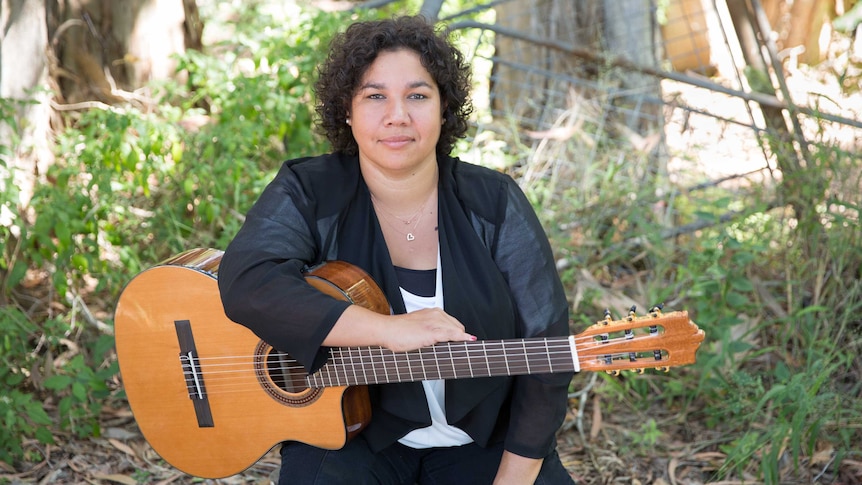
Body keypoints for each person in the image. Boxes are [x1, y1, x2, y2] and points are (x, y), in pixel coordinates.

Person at [217, 15, 575, 485]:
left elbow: (546, 353)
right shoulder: (309, 191)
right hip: (351, 439)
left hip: (487, 444)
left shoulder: (494, 202)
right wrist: (386, 330)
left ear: (444, 108)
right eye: (375, 96)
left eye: (418, 95)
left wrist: (513, 477)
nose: (398, 115)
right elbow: (246, 282)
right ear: (346, 110)